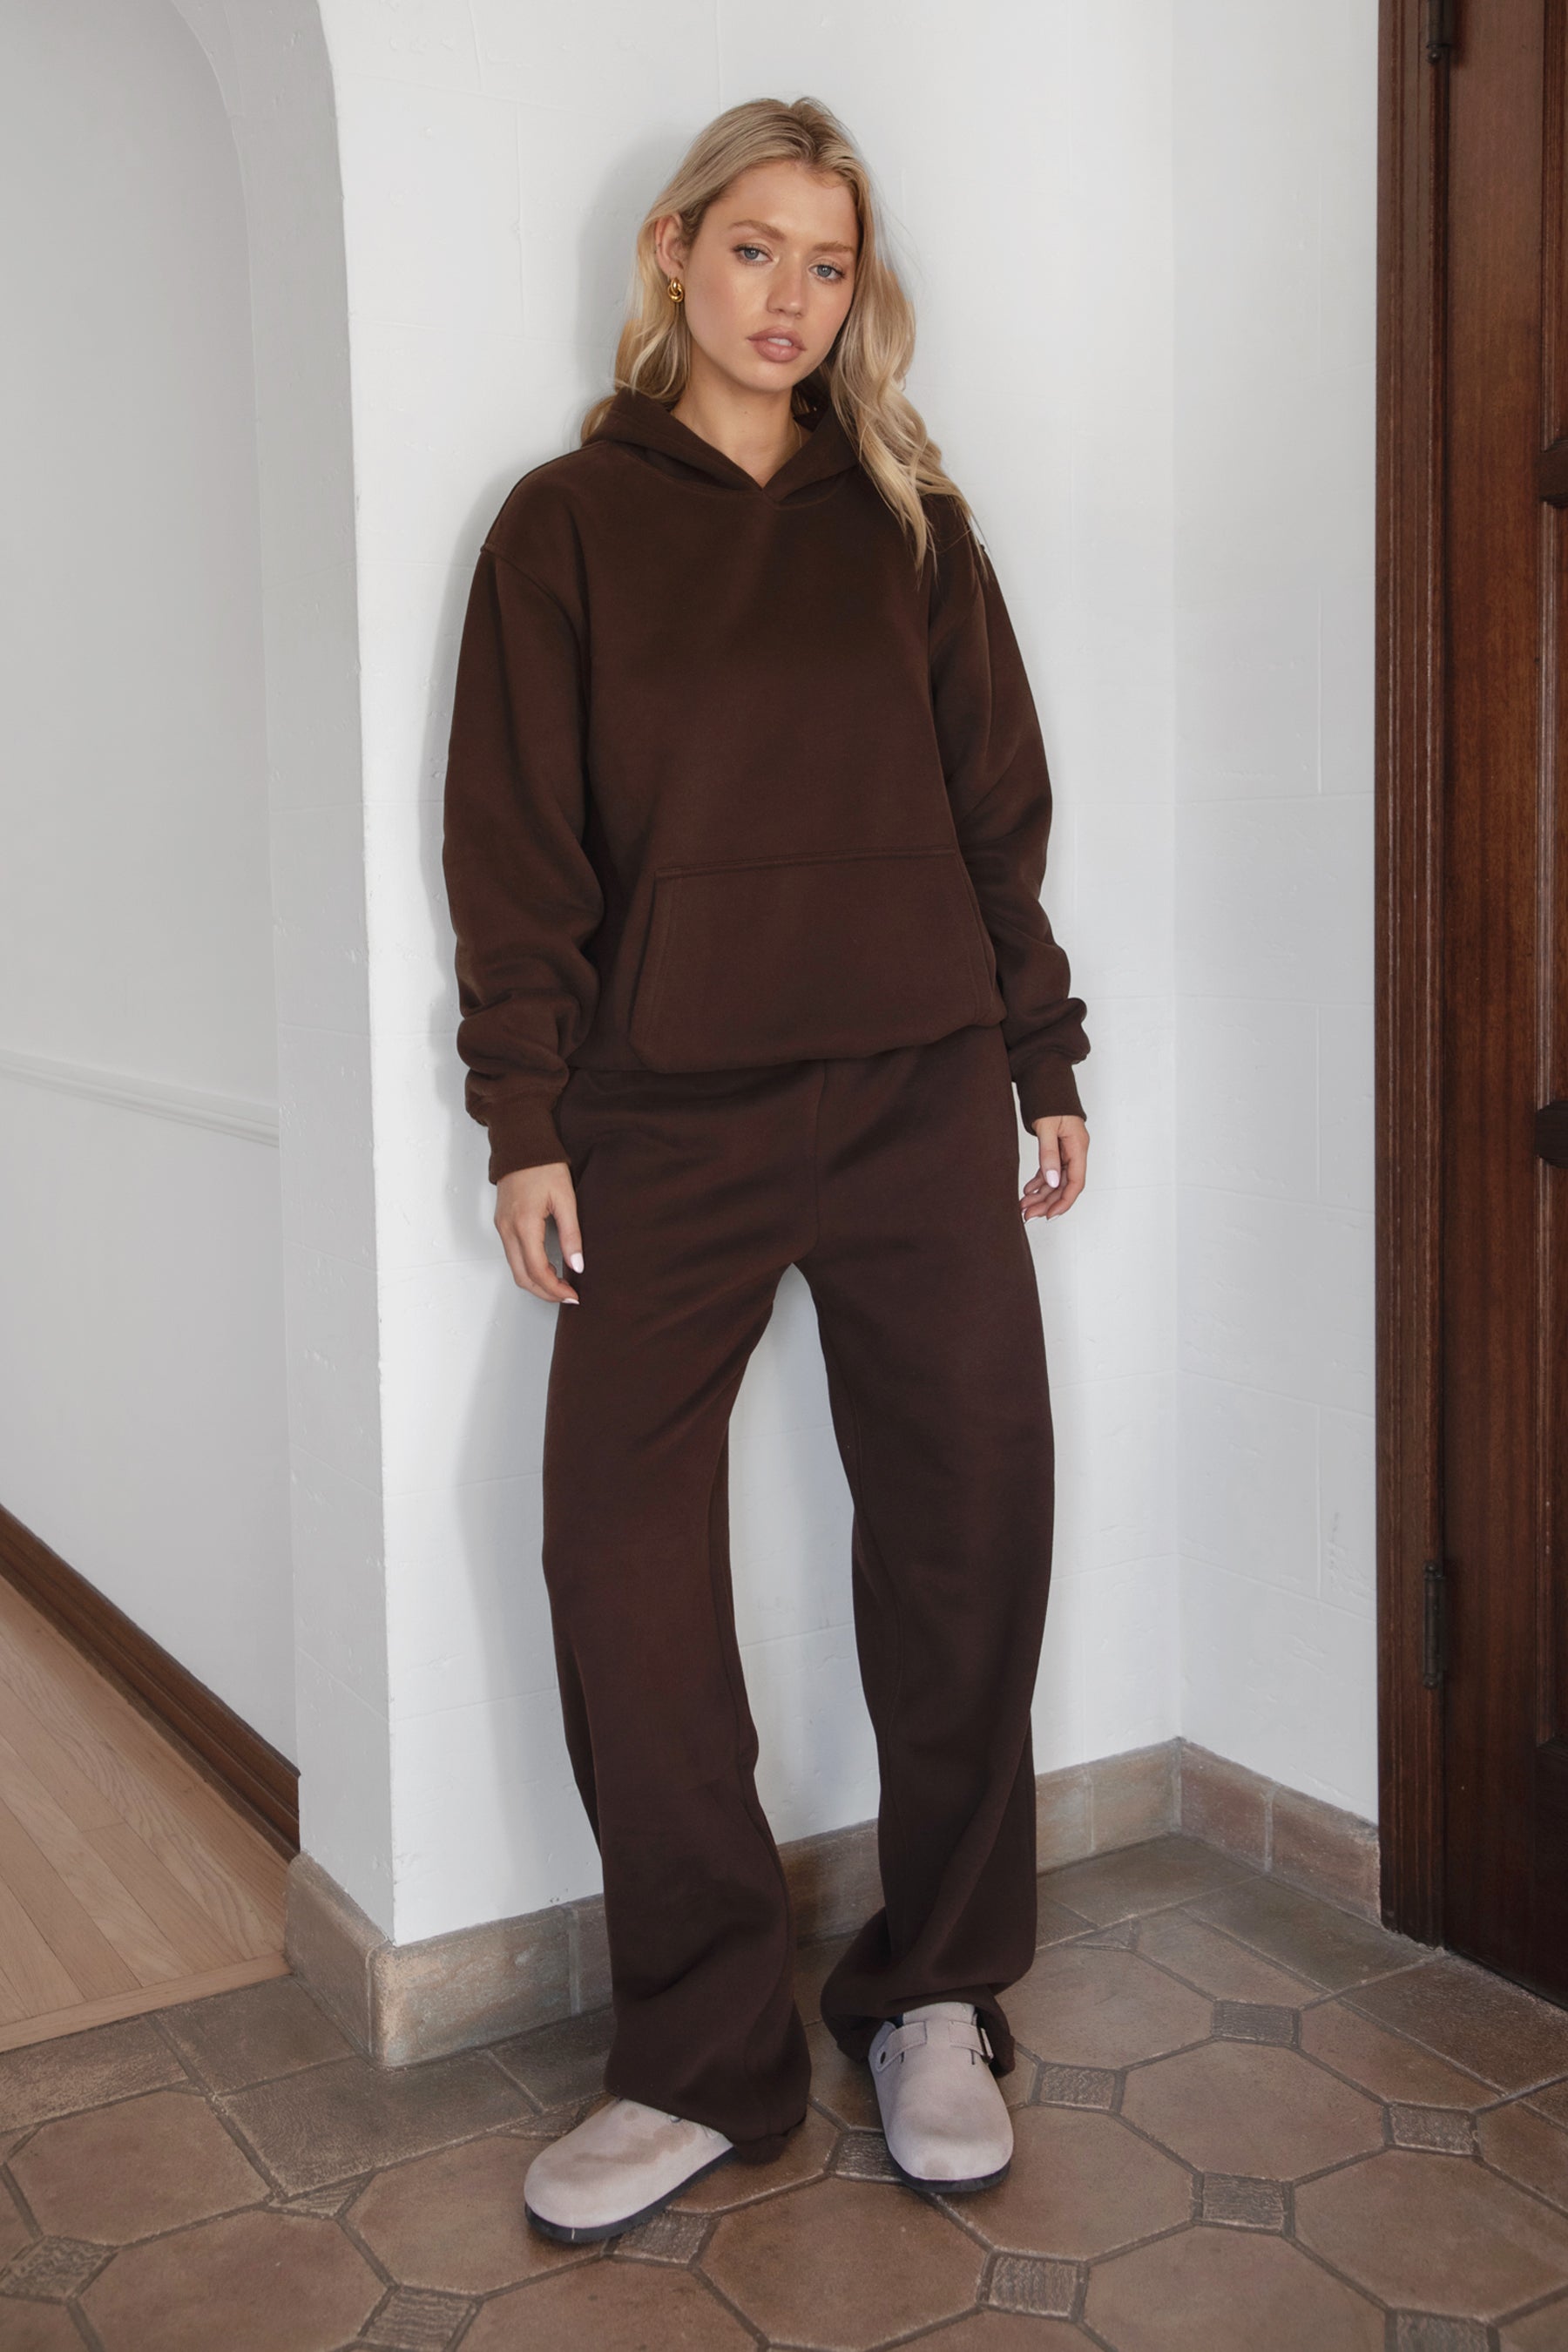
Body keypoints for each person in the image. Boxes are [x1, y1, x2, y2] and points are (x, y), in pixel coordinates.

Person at [440, 94, 1090, 2246]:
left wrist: (1040, 1054)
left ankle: (937, 1995)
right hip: (665, 1116)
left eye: (827, 264)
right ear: (673, 257)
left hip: (916, 1094)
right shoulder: (561, 527)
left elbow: (1000, 813)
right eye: (756, 254)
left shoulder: (913, 522)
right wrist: (527, 1111)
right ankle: (707, 2054)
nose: (791, 299)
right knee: (618, 1567)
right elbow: (517, 848)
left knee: (974, 1527)